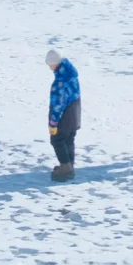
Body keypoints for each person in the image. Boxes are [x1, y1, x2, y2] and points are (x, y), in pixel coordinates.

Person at [46, 49, 81, 182]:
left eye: (50, 64)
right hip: (74, 114)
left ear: (55, 64)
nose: (49, 67)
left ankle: (66, 169)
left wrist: (53, 123)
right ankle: (69, 165)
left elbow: (57, 105)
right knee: (69, 139)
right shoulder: (72, 75)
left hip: (64, 117)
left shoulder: (59, 82)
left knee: (57, 140)